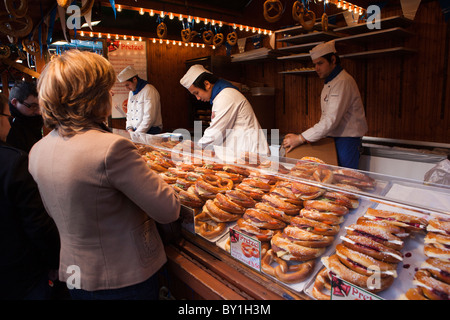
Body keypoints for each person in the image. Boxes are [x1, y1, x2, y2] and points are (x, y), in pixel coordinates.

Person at [29, 50, 180, 300]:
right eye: (106, 88)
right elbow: (168, 210)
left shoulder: (38, 150)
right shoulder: (111, 148)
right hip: (121, 279)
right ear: (91, 97)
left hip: (74, 274)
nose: (111, 94)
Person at [0, 93, 61, 300]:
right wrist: (54, 261)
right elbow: (37, 224)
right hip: (18, 273)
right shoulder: (13, 162)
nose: (10, 122)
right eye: (8, 116)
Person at [282, 40, 368, 169]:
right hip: (333, 139)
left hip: (347, 141)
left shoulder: (343, 82)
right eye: (315, 64)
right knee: (332, 181)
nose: (316, 68)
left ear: (333, 60)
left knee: (346, 182)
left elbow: (330, 121)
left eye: (320, 63)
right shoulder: (331, 82)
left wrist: (300, 138)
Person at [180, 64, 270, 158]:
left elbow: (215, 133)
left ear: (207, 84)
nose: (198, 98)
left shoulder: (226, 96)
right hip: (241, 153)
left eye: (196, 93)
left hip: (251, 153)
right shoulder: (220, 96)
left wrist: (195, 148)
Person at [117, 65, 163, 134]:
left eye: (127, 85)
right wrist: (130, 129)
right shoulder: (131, 93)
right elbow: (129, 113)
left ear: (134, 79)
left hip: (151, 132)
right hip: (136, 132)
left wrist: (136, 134)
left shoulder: (149, 90)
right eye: (125, 86)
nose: (127, 88)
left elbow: (149, 118)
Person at [6, 81, 43, 153]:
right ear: (14, 102)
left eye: (40, 106)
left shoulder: (34, 122)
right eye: (33, 106)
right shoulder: (9, 128)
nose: (38, 112)